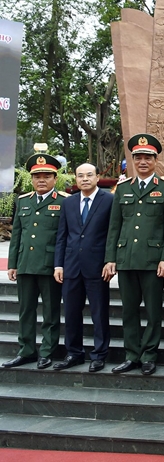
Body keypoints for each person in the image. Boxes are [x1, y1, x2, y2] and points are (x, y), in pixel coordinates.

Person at [104, 134, 164, 375]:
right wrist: (111, 258)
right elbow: (115, 226)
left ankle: (149, 355)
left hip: (153, 260)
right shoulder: (123, 188)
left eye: (148, 158)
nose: (143, 162)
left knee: (153, 311)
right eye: (138, 158)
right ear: (133, 160)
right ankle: (132, 355)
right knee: (129, 311)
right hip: (126, 259)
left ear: (156, 160)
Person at [2, 154, 66, 370]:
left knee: (50, 311)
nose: (41, 180)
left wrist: (61, 264)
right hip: (26, 265)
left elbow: (63, 237)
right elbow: (17, 235)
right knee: (25, 310)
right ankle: (26, 350)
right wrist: (13, 264)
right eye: (37, 176)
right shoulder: (23, 201)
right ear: (31, 178)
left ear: (54, 178)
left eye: (46, 176)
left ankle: (47, 351)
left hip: (50, 266)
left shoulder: (64, 201)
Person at [52, 163, 113, 372]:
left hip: (97, 266)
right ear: (75, 179)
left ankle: (99, 354)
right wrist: (58, 264)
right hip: (70, 266)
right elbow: (62, 236)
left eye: (89, 175)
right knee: (71, 313)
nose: (85, 179)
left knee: (99, 312)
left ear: (97, 178)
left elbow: (111, 234)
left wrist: (109, 260)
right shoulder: (68, 203)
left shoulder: (109, 200)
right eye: (80, 176)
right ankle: (74, 353)